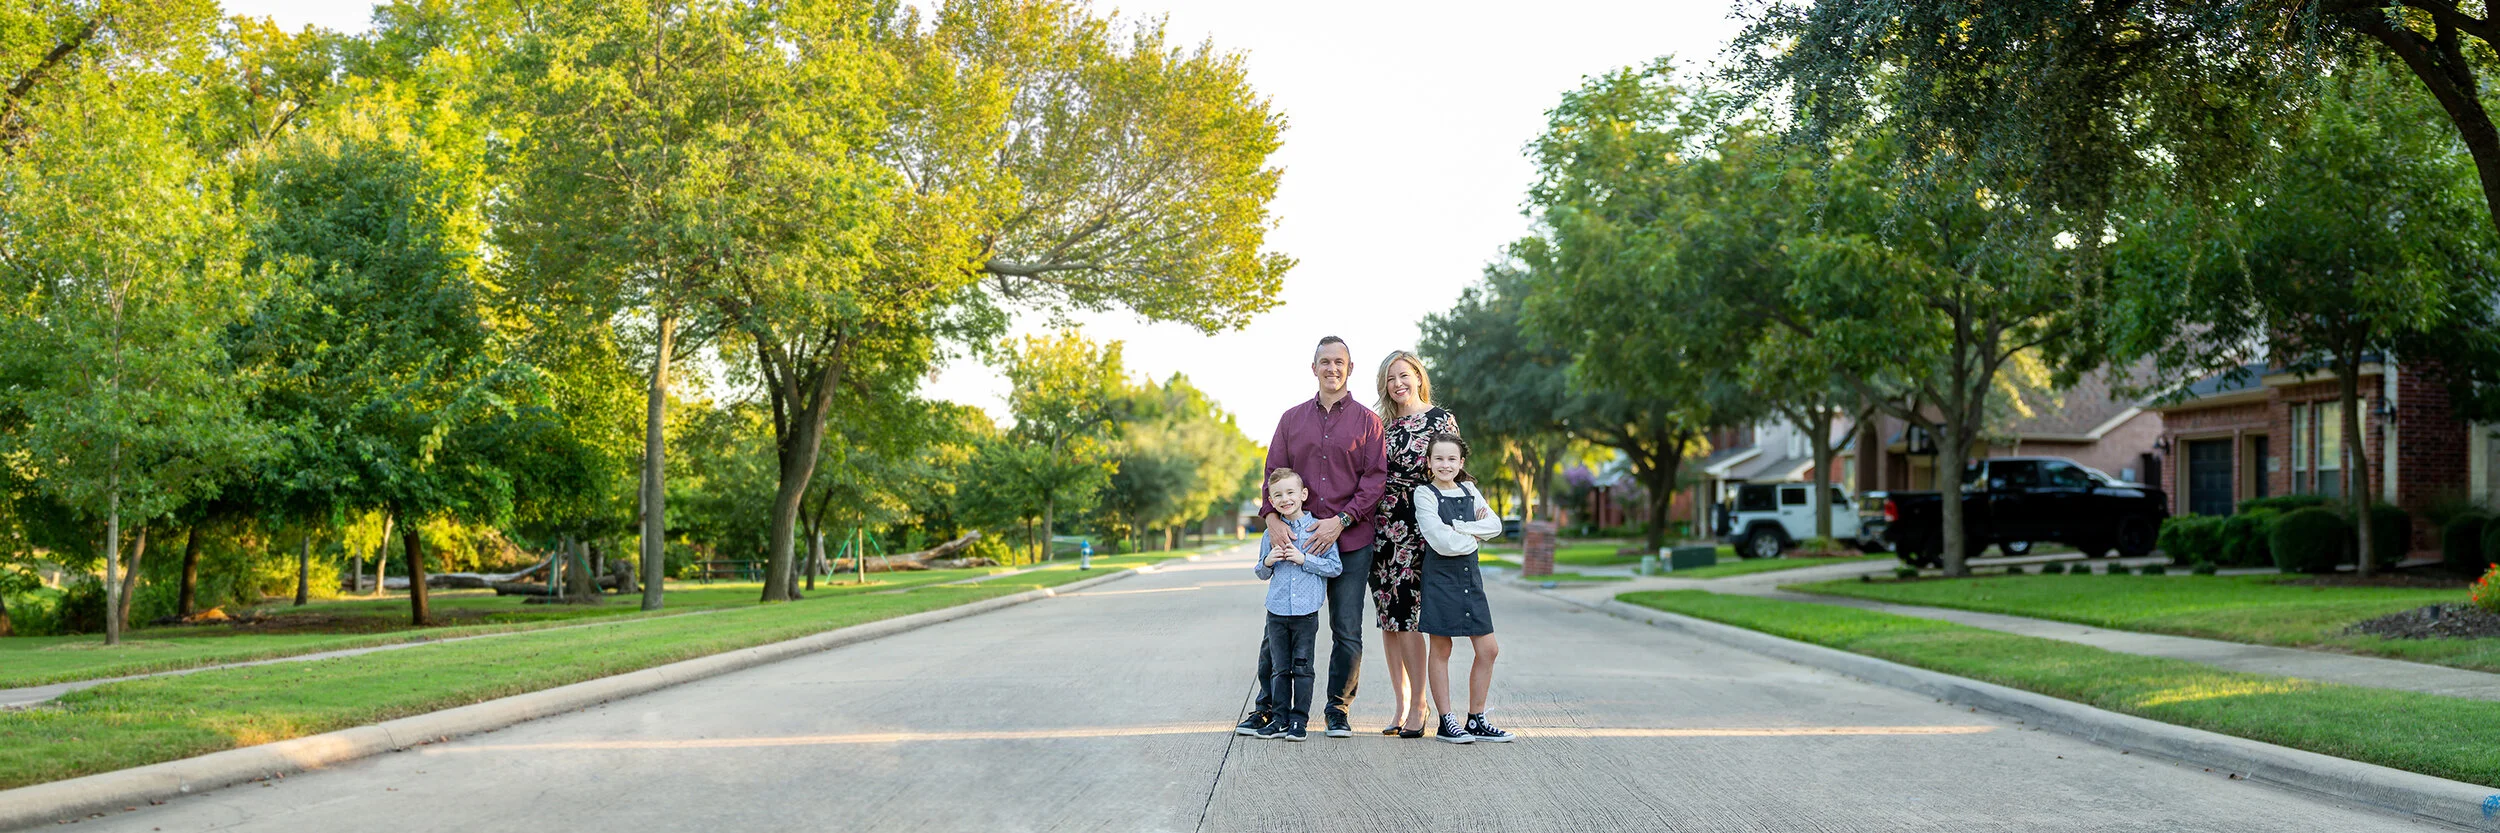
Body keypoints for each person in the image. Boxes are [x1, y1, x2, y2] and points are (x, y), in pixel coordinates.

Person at [1234, 335, 1388, 740]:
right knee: (1278, 628)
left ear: (1350, 368)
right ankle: (1266, 708)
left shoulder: (1368, 423)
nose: (1332, 368)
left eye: (1339, 362)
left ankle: (1337, 709)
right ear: (1314, 367)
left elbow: (1375, 481)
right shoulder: (1291, 419)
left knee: (1346, 629)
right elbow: (1273, 474)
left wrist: (1341, 520)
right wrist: (1271, 519)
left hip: (1349, 540)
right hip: (1293, 543)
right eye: (1324, 362)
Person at [1369, 350, 1465, 738]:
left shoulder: (1440, 419)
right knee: (1389, 620)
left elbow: (1453, 470)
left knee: (1408, 616)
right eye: (1391, 379)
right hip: (1383, 527)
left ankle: (1420, 705)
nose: (1398, 384)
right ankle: (1400, 704)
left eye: (1404, 376)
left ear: (1419, 377)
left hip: (1420, 525)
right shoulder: (1380, 425)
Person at [1412, 433, 1513, 744]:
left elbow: (1495, 526)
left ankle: (1476, 719)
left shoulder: (1470, 489)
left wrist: (1457, 527)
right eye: (1439, 459)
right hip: (1440, 579)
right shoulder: (1424, 494)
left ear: (1461, 463)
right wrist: (1473, 534)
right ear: (1429, 462)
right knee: (1442, 648)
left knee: (1488, 649)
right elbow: (1439, 542)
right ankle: (1446, 721)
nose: (1445, 464)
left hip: (1470, 578)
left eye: (1451, 459)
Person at [1250, 468, 1342, 742]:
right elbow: (1260, 571)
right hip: (1276, 612)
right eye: (1277, 495)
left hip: (1305, 613)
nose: (1285, 499)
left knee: (1302, 666)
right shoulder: (1271, 533)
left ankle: (1298, 721)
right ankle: (1278, 718)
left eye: (1290, 492)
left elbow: (1335, 567)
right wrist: (1270, 561)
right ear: (1271, 499)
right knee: (1279, 668)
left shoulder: (1318, 529)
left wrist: (1304, 559)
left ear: (1303, 494)